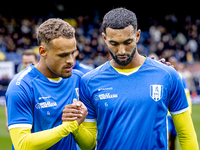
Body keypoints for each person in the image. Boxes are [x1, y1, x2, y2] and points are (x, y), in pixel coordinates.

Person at [62, 8, 199, 150]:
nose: (121, 51)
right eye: (114, 43)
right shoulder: (89, 81)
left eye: (127, 42)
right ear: (104, 38)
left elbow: (186, 135)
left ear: (138, 36)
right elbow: (89, 145)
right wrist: (75, 126)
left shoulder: (167, 75)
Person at [5, 18, 88, 150]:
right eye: (62, 55)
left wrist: (77, 125)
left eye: (72, 53)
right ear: (43, 52)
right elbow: (22, 144)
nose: (71, 61)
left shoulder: (79, 79)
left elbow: (90, 146)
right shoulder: (21, 86)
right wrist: (68, 127)